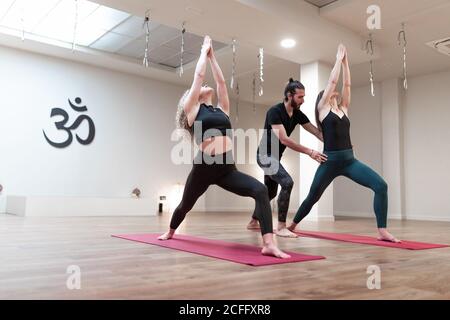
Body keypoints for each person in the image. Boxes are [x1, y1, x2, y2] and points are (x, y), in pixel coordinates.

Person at [159, 36, 291, 258]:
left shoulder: (222, 110)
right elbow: (199, 77)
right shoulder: (193, 110)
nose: (206, 85)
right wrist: (204, 51)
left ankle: (268, 243)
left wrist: (213, 58)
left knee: (260, 190)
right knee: (185, 205)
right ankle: (171, 231)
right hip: (204, 167)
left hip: (226, 168)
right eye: (201, 87)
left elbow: (221, 83)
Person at [288, 44, 400, 243]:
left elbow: (346, 85)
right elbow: (333, 80)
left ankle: (382, 231)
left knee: (381, 186)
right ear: (322, 98)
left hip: (349, 161)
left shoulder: (343, 109)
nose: (334, 92)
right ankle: (292, 225)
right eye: (329, 92)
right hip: (329, 162)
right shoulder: (322, 110)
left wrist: (347, 62)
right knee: (313, 196)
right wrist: (338, 59)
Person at [247, 79, 327, 238]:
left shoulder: (297, 114)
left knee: (269, 193)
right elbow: (284, 139)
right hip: (264, 156)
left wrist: (335, 142)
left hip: (275, 157)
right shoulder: (274, 112)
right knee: (287, 182)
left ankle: (253, 221)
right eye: (300, 97)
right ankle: (281, 226)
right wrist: (310, 152)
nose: (303, 101)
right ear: (289, 95)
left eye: (304, 97)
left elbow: (315, 131)